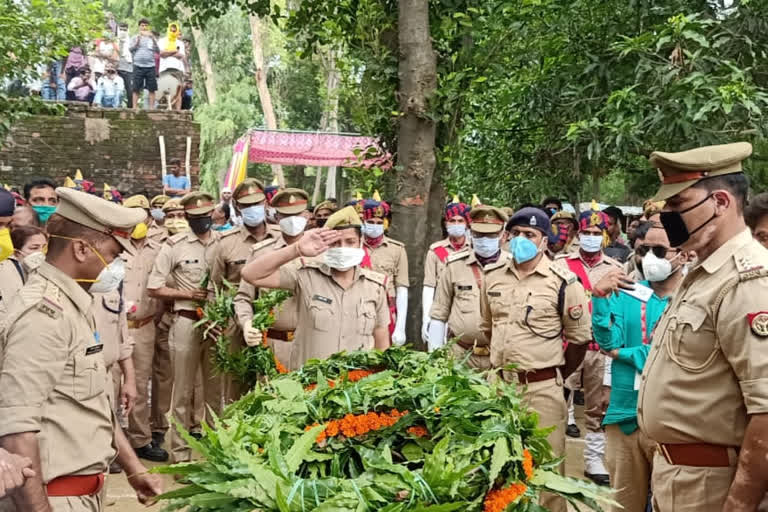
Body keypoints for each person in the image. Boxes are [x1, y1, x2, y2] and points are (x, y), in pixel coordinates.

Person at [0, 187, 162, 511]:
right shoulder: (43, 316)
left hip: (83, 493)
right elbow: (17, 431)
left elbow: (93, 399)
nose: (118, 266)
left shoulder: (75, 305)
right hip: (54, 498)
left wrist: (133, 468)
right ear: (81, 250)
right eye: (114, 255)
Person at [637, 142, 768, 511]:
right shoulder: (704, 274)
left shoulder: (749, 281)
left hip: (713, 488)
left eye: (679, 205)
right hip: (678, 479)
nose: (668, 218)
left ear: (721, 202)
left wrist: (738, 506)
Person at [480, 207, 591, 512]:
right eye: (515, 234)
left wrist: (556, 374)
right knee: (498, 466)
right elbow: (489, 328)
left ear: (544, 240)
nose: (520, 240)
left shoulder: (563, 282)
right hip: (499, 387)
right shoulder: (492, 278)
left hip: (542, 389)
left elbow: (579, 340)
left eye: (529, 235)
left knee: (546, 470)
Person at [592, 215, 693, 512]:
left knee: (672, 504)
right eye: (643, 250)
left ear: (683, 255)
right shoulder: (628, 292)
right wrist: (599, 297)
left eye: (659, 252)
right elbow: (608, 343)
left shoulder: (695, 297)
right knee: (624, 504)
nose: (649, 258)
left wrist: (629, 354)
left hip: (673, 419)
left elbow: (679, 355)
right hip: (625, 417)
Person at [240, 206, 390, 369]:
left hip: (356, 387)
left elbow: (381, 343)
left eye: (350, 242)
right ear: (326, 245)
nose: (343, 248)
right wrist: (296, 249)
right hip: (311, 388)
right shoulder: (305, 275)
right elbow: (251, 274)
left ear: (361, 243)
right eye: (335, 243)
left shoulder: (375, 286)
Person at [147, 191, 222, 464]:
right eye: (194, 217)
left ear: (212, 215)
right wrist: (188, 295)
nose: (200, 222)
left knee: (216, 394)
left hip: (218, 324)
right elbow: (154, 287)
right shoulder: (174, 245)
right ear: (187, 218)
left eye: (205, 216)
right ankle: (180, 456)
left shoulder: (223, 243)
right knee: (182, 392)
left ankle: (217, 457)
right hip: (187, 321)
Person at [557, 210, 622, 486]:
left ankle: (594, 459)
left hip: (600, 346)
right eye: (587, 233)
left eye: (597, 234)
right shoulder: (561, 264)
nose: (592, 238)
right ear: (578, 234)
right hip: (568, 341)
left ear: (605, 236)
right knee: (559, 398)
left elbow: (619, 309)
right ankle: (554, 450)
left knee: (598, 405)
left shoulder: (615, 267)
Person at [209, 179, 277, 399]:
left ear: (265, 204)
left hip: (274, 319)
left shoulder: (280, 239)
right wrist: (216, 321)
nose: (252, 209)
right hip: (234, 321)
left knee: (272, 382)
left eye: (256, 203)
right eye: (246, 206)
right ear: (237, 207)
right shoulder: (225, 243)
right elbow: (215, 286)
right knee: (235, 384)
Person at [428, 205, 509, 370]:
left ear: (502, 235)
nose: (484, 240)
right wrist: (435, 361)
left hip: (501, 358)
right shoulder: (454, 265)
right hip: (460, 356)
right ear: (470, 233)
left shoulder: (513, 267)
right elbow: (439, 314)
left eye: (490, 235)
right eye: (479, 235)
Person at [120, 195, 169, 463]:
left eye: (142, 215)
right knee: (109, 384)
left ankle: (139, 439)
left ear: (150, 218)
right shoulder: (111, 245)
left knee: (138, 383)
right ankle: (109, 444)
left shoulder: (159, 248)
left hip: (145, 325)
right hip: (114, 327)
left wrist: (154, 316)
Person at [254, 188, 310, 369]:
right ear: (276, 217)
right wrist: (246, 323)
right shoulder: (261, 253)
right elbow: (244, 298)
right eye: (286, 215)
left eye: (297, 214)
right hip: (272, 344)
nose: (292, 220)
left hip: (312, 345)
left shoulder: (324, 254)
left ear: (307, 215)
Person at [422, 199, 472, 343]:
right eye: (452, 220)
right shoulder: (436, 250)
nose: (456, 224)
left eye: (460, 220)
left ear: (467, 223)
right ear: (446, 223)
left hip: (465, 309)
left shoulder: (473, 250)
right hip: (441, 308)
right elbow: (429, 286)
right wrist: (427, 317)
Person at [360, 199, 408, 345]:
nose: (375, 226)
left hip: (386, 312)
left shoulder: (397, 249)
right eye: (371, 222)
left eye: (379, 223)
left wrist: (400, 326)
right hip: (359, 310)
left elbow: (402, 289)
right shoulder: (353, 246)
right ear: (363, 221)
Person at [0, 226, 47, 317]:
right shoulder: (4, 272)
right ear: (16, 252)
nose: (41, 253)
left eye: (44, 247)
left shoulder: (37, 271)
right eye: (34, 248)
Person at [130, 19, 159, 109]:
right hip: (138, 65)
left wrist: (153, 39)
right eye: (142, 25)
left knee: (152, 88)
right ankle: (134, 108)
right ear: (139, 27)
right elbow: (131, 50)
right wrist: (137, 42)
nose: (144, 27)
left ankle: (151, 108)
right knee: (136, 88)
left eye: (146, 25)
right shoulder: (135, 37)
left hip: (150, 66)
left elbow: (158, 51)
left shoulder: (152, 38)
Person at [157, 23, 186, 110]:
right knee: (165, 90)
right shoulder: (161, 41)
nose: (173, 32)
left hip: (177, 69)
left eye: (174, 30)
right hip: (164, 68)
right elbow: (161, 54)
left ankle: (177, 111)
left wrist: (168, 52)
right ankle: (167, 108)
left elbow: (181, 55)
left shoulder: (180, 43)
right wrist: (174, 51)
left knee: (178, 91)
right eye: (171, 30)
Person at [116, 22, 133, 108]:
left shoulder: (131, 41)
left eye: (125, 30)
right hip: (116, 68)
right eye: (121, 29)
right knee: (117, 90)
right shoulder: (114, 40)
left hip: (128, 68)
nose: (123, 31)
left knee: (130, 91)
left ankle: (130, 109)